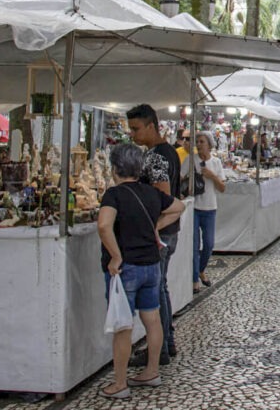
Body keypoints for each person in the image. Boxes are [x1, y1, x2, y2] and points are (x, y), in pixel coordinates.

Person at [96, 143, 185, 399]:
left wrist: (115, 256)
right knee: (152, 319)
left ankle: (120, 383)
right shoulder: (150, 193)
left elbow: (104, 225)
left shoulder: (114, 195)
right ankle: (152, 371)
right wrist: (156, 227)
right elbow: (179, 207)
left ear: (114, 169)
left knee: (123, 325)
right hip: (151, 266)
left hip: (127, 269)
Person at [126, 104, 181, 364]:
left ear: (151, 126)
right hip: (166, 230)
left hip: (159, 232)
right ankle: (166, 342)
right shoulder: (168, 151)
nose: (133, 135)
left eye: (136, 129)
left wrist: (152, 227)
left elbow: (162, 194)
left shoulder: (157, 156)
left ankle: (158, 349)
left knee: (156, 290)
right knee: (161, 286)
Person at [181, 131, 225, 294]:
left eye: (201, 142)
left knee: (208, 244)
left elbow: (222, 188)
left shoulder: (216, 162)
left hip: (210, 208)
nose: (198, 145)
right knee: (194, 245)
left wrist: (212, 176)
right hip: (193, 208)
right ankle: (194, 279)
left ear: (209, 145)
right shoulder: (191, 160)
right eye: (197, 142)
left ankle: (200, 270)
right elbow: (179, 177)